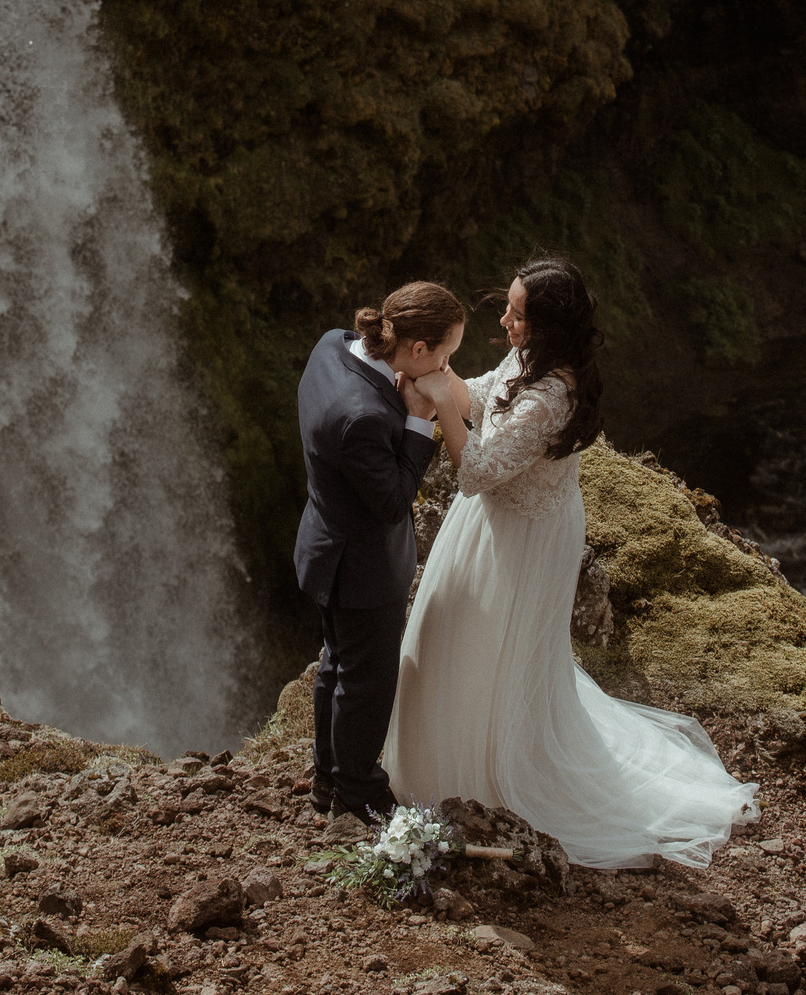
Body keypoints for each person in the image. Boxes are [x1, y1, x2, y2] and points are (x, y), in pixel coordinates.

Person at [381, 255, 758, 868]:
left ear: (549, 326)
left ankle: (495, 778)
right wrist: (433, 373)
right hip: (487, 526)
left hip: (527, 534)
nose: (503, 320)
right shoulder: (527, 358)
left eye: (516, 313)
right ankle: (438, 766)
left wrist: (436, 406)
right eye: (507, 305)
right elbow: (480, 395)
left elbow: (476, 471)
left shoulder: (554, 395)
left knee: (497, 655)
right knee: (453, 642)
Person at [293, 280, 467, 823]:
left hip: (323, 542)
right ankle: (358, 791)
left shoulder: (334, 344)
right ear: (417, 351)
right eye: (445, 356)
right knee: (367, 682)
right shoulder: (362, 417)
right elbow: (393, 503)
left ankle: (327, 778)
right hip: (361, 566)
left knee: (335, 664)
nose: (445, 368)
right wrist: (419, 419)